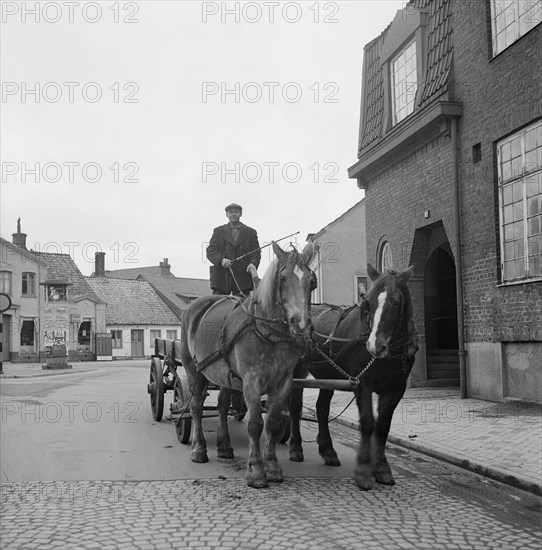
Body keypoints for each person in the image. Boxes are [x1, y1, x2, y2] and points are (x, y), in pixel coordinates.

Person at [206, 203, 261, 296]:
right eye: (231, 212)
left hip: (243, 279)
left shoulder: (251, 232)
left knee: (243, 308)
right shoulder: (218, 231)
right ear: (227, 214)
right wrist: (221, 260)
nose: (233, 214)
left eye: (236, 212)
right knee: (218, 307)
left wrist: (253, 264)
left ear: (240, 214)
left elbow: (256, 253)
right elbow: (210, 250)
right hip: (221, 279)